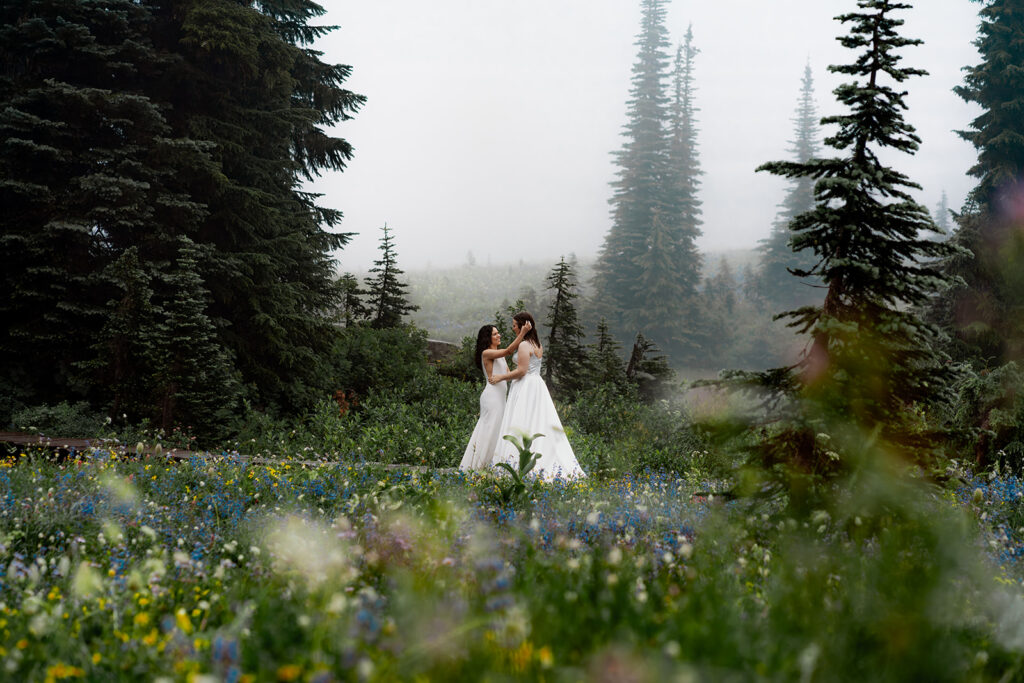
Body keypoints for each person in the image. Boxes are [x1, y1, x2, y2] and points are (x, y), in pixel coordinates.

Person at [489, 311, 585, 480]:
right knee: (538, 422)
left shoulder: (524, 345)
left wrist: (501, 377)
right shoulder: (538, 344)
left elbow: (522, 371)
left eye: (514, 325)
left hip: (525, 385)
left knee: (522, 421)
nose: (512, 328)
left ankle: (520, 464)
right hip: (537, 385)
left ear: (522, 326)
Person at [459, 319, 532, 471]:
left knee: (497, 430)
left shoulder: (500, 356)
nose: (499, 335)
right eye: (495, 334)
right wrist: (523, 332)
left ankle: (489, 465)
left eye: (498, 333)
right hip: (491, 398)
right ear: (488, 338)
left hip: (500, 398)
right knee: (489, 429)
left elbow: (508, 375)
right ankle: (477, 465)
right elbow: (508, 350)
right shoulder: (487, 353)